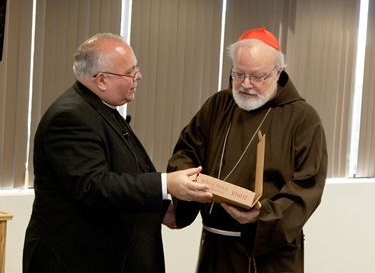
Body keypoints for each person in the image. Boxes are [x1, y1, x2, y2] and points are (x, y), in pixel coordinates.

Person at [23, 33, 212, 273]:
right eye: (130, 72)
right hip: (79, 261)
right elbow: (95, 186)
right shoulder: (70, 117)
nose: (138, 77)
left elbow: (129, 167)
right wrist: (166, 184)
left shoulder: (101, 108)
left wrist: (163, 209)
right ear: (101, 80)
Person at [167, 27, 328, 273]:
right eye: (238, 74)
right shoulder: (218, 105)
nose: (245, 84)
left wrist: (262, 215)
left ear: (278, 73)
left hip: (269, 256)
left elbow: (308, 186)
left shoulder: (303, 118)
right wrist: (186, 183)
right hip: (215, 247)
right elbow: (187, 151)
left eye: (256, 76)